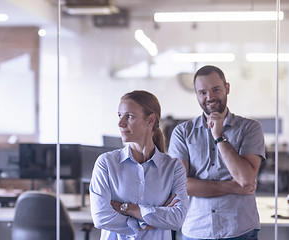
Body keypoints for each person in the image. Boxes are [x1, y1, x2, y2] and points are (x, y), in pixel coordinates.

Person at [168, 65, 265, 240]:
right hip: (196, 230)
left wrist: (219, 137)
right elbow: (180, 186)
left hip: (239, 229)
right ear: (196, 94)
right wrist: (230, 186)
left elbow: (245, 179)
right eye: (202, 92)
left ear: (227, 88)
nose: (209, 97)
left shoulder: (250, 128)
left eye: (216, 89)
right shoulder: (182, 132)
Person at [90, 90, 188, 240]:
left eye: (129, 116)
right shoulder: (106, 163)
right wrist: (151, 220)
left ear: (150, 120)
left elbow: (177, 219)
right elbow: (101, 217)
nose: (120, 123)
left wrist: (127, 208)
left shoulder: (173, 168)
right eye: (119, 115)